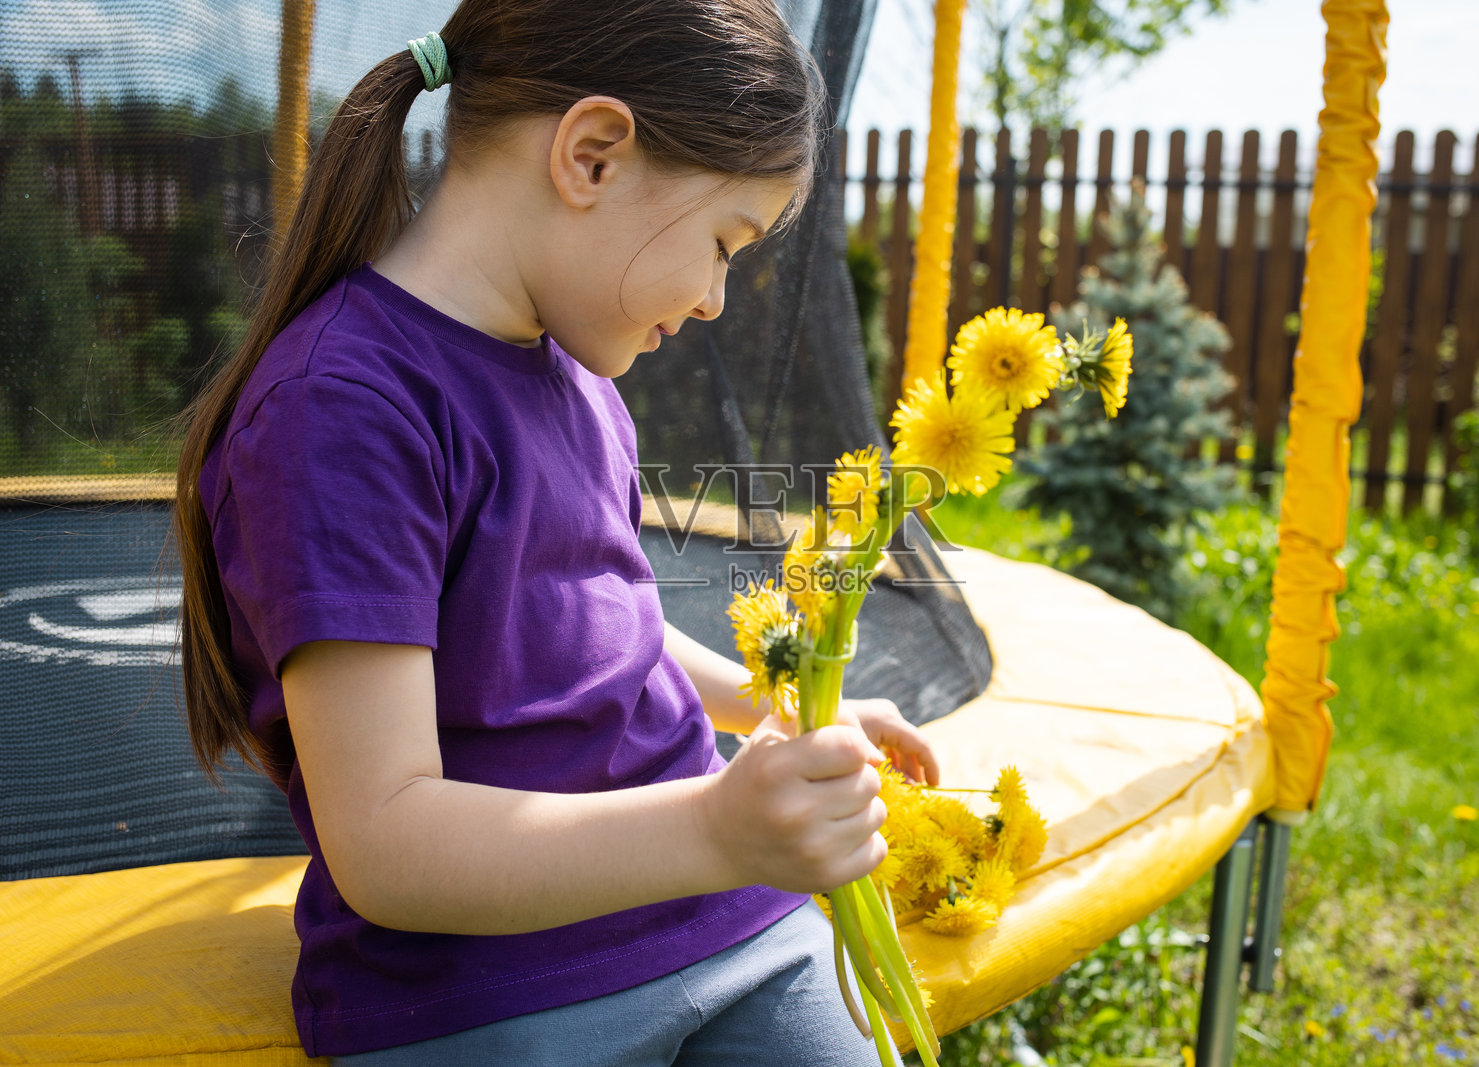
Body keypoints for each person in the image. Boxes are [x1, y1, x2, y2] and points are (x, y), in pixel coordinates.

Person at [172, 1, 941, 1063]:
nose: (716, 299)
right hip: (489, 992)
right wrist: (716, 826)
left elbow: (589, 618)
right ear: (591, 155)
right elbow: (387, 841)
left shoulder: (578, 377)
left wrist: (773, 697)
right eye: (723, 244)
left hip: (724, 925)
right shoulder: (340, 405)